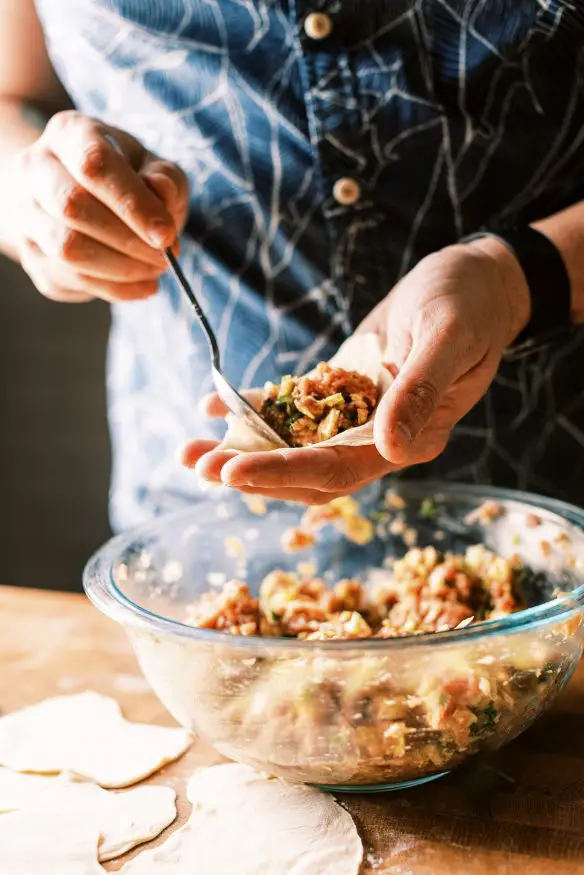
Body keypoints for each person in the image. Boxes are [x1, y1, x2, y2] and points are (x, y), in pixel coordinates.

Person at [1, 0, 583, 531]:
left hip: (549, 494)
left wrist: (514, 280)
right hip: (201, 525)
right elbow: (10, 96)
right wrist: (34, 202)